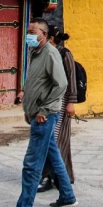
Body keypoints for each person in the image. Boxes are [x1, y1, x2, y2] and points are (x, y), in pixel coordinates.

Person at [8, 19, 76, 207]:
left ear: (44, 35)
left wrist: (43, 110)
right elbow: (35, 82)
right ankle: (67, 196)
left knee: (32, 164)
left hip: (44, 116)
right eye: (28, 31)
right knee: (53, 155)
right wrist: (26, 101)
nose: (29, 35)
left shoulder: (50, 54)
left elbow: (61, 84)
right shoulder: (35, 53)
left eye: (33, 31)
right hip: (36, 113)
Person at [37, 26, 77, 193]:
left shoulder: (64, 54)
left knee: (55, 141)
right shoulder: (43, 53)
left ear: (51, 38)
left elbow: (71, 78)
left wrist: (71, 102)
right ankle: (59, 176)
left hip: (61, 102)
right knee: (51, 141)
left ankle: (52, 176)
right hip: (46, 102)